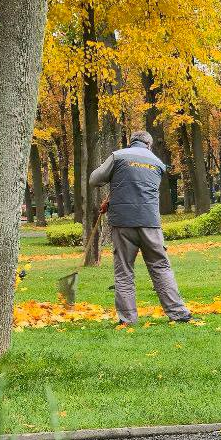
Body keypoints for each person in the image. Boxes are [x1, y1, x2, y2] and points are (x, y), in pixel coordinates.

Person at [89, 130, 191, 325]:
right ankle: (179, 313)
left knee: (124, 270)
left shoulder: (118, 156)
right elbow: (140, 188)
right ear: (149, 145)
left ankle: (127, 319)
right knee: (161, 267)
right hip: (150, 223)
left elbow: (95, 179)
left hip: (123, 223)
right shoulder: (158, 163)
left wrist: (112, 183)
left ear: (131, 142)